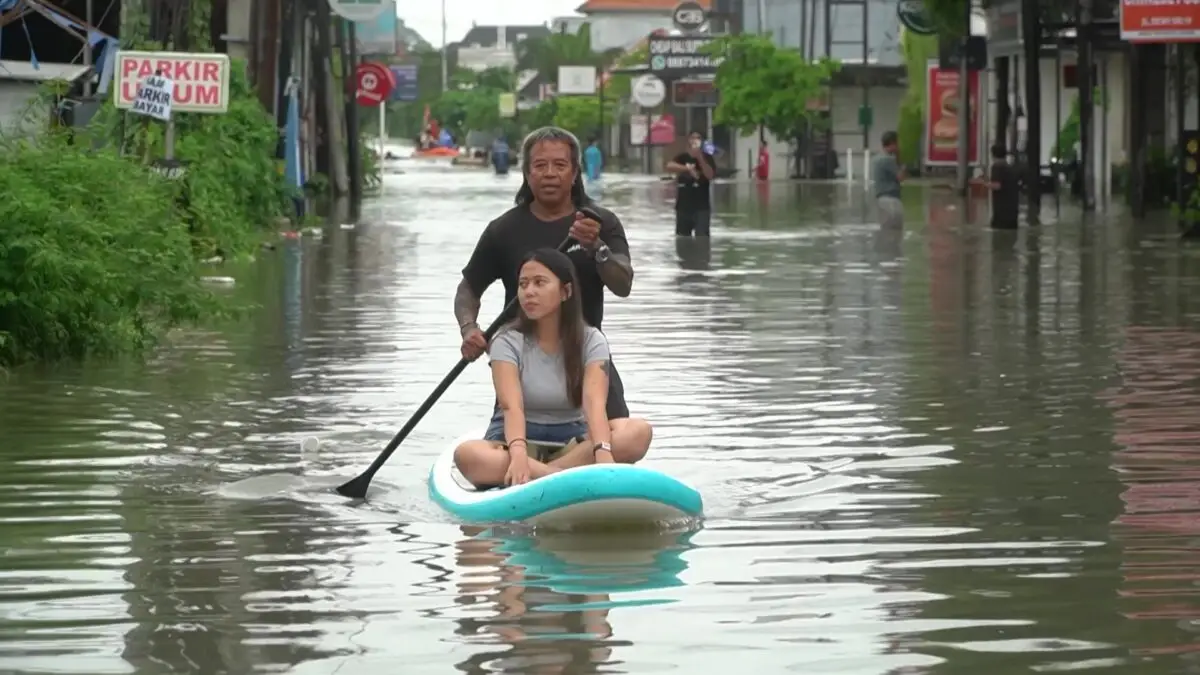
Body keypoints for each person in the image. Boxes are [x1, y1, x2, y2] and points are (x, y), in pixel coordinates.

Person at [455, 126, 644, 442]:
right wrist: (469, 328)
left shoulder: (599, 222)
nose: (550, 174)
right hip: (521, 367)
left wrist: (597, 248)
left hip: (588, 359)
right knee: (493, 455)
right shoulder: (503, 230)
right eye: (540, 166)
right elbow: (468, 289)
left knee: (626, 439)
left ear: (575, 173)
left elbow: (623, 284)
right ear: (527, 173)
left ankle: (566, 464)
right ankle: (536, 465)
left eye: (560, 165)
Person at [454, 248, 654, 487]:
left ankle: (542, 474)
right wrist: (518, 455)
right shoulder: (505, 341)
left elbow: (594, 403)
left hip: (573, 443)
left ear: (565, 291)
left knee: (638, 432)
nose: (529, 292)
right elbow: (511, 406)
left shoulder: (592, 340)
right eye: (523, 284)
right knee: (467, 456)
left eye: (540, 283)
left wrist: (603, 452)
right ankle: (559, 477)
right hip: (515, 441)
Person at [666, 130, 715, 237]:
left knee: (702, 238)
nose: (695, 141)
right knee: (682, 238)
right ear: (688, 140)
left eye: (698, 138)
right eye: (693, 138)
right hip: (683, 207)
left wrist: (700, 157)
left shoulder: (708, 158)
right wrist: (687, 168)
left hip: (702, 207)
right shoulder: (682, 157)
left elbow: (710, 175)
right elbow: (669, 166)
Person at [871, 130, 905, 228]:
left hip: (881, 199)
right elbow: (901, 177)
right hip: (891, 199)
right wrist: (902, 163)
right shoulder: (888, 159)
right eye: (898, 143)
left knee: (885, 229)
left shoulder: (876, 158)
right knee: (896, 229)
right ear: (893, 143)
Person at [984, 144, 1020, 229]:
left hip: (1001, 211)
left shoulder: (997, 167)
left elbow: (997, 185)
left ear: (993, 155)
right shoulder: (1010, 167)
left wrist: (985, 184)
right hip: (1012, 210)